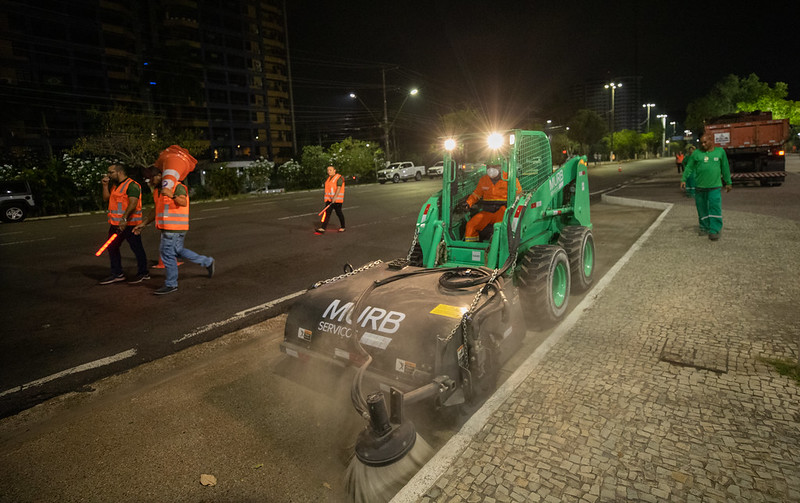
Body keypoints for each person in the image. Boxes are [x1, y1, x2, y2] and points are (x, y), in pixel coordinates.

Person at [133, 171, 214, 295]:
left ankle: (171, 284)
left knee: (166, 253)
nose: (149, 182)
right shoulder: (158, 191)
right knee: (178, 250)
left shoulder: (177, 186)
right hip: (169, 227)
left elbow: (183, 202)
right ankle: (207, 262)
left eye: (150, 178)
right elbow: (156, 209)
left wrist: (172, 195)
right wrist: (144, 224)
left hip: (174, 228)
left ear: (159, 175)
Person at [99, 164, 149, 284]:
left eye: (111, 172)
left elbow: (133, 203)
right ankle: (117, 274)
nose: (108, 175)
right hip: (116, 225)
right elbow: (106, 199)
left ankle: (143, 273)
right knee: (112, 247)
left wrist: (124, 219)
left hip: (130, 224)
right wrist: (105, 186)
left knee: (137, 249)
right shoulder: (115, 186)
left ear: (119, 172)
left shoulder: (132, 185)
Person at [680, 132, 732, 241]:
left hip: (715, 187)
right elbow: (689, 167)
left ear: (711, 141)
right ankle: (704, 227)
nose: (703, 144)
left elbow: (725, 167)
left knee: (714, 208)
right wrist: (683, 179)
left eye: (705, 142)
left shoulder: (720, 152)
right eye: (701, 143)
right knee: (701, 208)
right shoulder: (696, 154)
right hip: (699, 187)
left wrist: (728, 182)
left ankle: (714, 230)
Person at [462, 163, 522, 242]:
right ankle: (471, 248)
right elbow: (476, 194)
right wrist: (468, 203)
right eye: (489, 167)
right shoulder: (484, 180)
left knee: (499, 227)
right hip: (487, 211)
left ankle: (499, 250)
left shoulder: (510, 178)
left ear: (500, 167)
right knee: (471, 225)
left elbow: (519, 194)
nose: (491, 169)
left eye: (494, 166)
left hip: (503, 210)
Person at [316, 165, 345, 234]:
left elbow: (338, 188)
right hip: (329, 200)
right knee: (327, 214)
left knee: (339, 213)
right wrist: (329, 199)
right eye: (328, 170)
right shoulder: (329, 178)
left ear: (334, 170)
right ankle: (323, 228)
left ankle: (343, 227)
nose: (328, 171)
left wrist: (334, 198)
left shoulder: (339, 178)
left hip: (337, 200)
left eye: (330, 170)